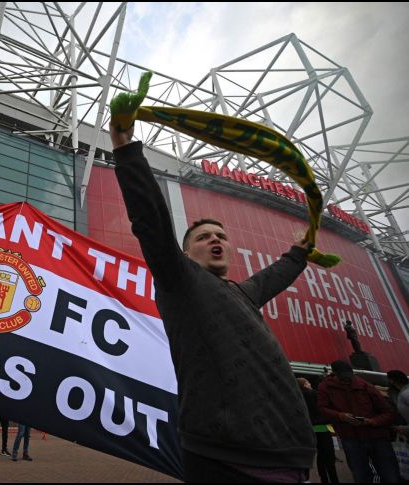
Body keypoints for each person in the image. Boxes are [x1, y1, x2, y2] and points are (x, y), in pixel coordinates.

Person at [111, 124, 315, 482]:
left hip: (290, 458)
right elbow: (151, 222)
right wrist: (127, 150)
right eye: (204, 237)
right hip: (226, 460)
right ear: (186, 253)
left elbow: (276, 275)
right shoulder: (182, 281)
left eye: (221, 236)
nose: (216, 240)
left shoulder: (243, 292)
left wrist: (298, 253)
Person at [318, 360, 400, 483]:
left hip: (376, 436)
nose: (346, 381)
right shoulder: (325, 387)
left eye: (348, 377)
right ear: (334, 374)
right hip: (351, 437)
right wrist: (341, 416)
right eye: (343, 378)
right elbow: (322, 409)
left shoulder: (365, 386)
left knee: (390, 474)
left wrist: (372, 421)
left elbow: (388, 412)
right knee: (361, 474)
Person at [297, 378, 339, 483]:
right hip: (322, 427)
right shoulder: (315, 394)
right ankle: (330, 479)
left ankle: (305, 479)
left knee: (307, 456)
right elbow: (324, 411)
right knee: (326, 456)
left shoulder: (297, 396)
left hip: (307, 429)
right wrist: (331, 426)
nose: (310, 383)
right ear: (305, 385)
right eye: (308, 382)